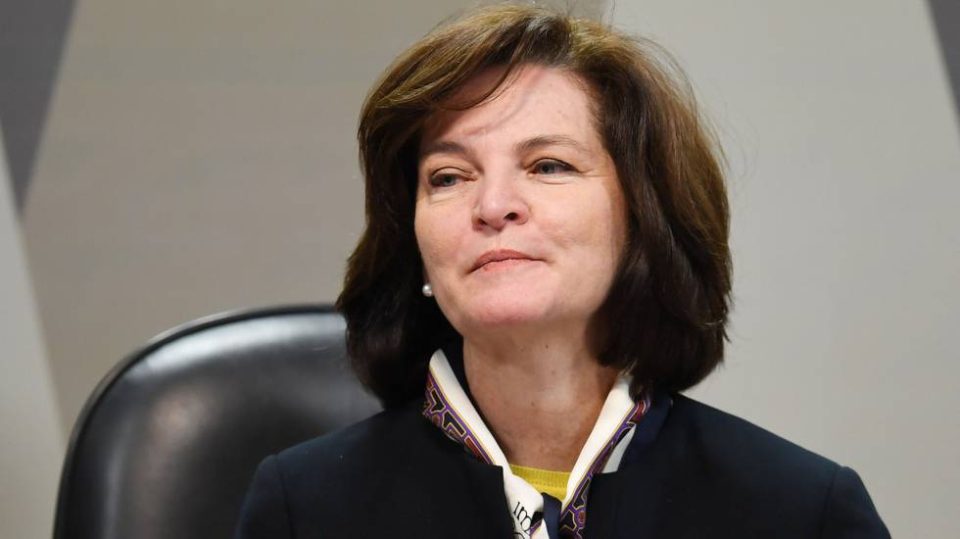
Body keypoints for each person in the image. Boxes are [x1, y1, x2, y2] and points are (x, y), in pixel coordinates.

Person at [235, 4, 889, 538]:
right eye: (449, 177)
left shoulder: (800, 512)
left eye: (548, 165)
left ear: (642, 219)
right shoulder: (304, 509)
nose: (493, 205)